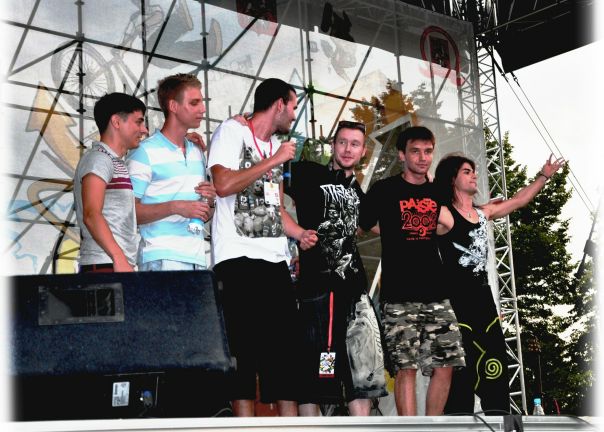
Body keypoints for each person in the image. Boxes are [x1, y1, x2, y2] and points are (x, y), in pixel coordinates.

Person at [207, 78, 315, 417]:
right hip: (238, 259)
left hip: (274, 262)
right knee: (243, 356)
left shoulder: (275, 147)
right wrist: (273, 161)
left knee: (285, 360)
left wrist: (300, 234)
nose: (294, 115)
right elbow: (223, 184)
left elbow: (276, 209)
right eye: (293, 106)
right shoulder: (231, 132)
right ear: (279, 104)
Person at [434, 153, 564, 414]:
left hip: (485, 306)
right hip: (456, 309)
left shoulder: (483, 213)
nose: (474, 175)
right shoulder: (445, 215)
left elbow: (519, 200)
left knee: (495, 373)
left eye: (473, 171)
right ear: (452, 179)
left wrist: (544, 176)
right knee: (460, 381)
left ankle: (500, 420)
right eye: (467, 171)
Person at [359, 126, 466, 416]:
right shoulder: (384, 189)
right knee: (405, 367)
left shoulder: (437, 190)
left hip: (437, 292)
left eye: (428, 151)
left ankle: (432, 426)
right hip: (398, 293)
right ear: (402, 154)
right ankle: (410, 428)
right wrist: (393, 230)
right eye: (415, 151)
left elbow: (449, 223)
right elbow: (365, 223)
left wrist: (433, 222)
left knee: (446, 363)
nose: (422, 157)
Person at [285, 120, 387, 416]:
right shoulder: (307, 173)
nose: (347, 149)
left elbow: (383, 225)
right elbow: (267, 177)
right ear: (333, 145)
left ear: (363, 151)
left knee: (362, 370)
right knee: (316, 368)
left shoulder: (360, 194)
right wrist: (294, 235)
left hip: (354, 293)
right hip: (318, 290)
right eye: (342, 142)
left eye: (355, 144)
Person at [126, 73, 216, 271]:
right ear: (173, 106)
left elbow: (205, 213)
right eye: (194, 103)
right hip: (160, 257)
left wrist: (210, 201)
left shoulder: (197, 152)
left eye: (202, 102)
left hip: (198, 258)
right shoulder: (144, 152)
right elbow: (128, 213)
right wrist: (175, 207)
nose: (202, 109)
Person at [74, 92, 148, 273]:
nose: (144, 130)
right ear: (116, 122)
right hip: (105, 265)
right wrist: (118, 257)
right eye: (138, 122)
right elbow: (91, 214)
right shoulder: (99, 159)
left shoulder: (114, 161)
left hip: (115, 265)